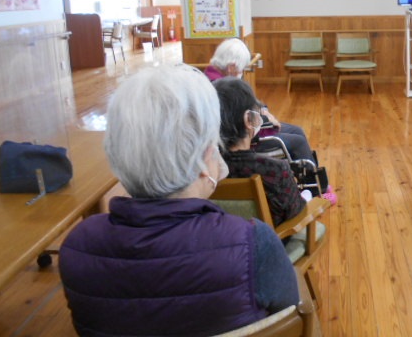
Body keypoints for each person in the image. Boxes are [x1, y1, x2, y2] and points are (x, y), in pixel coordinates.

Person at [59, 64, 299, 336]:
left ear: (117, 151)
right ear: (203, 159)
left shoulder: (78, 247)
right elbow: (289, 315)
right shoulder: (252, 242)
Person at [214, 76, 307, 226]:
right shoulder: (275, 169)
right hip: (271, 242)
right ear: (248, 120)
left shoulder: (205, 171)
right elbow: (297, 211)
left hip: (223, 240)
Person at [204, 37, 315, 163]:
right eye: (242, 69)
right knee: (298, 143)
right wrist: (268, 122)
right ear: (231, 67)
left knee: (297, 130)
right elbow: (240, 122)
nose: (242, 73)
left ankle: (314, 178)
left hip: (252, 127)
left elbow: (251, 102)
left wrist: (263, 110)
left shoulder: (220, 78)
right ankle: (314, 180)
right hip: (243, 139)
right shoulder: (222, 87)